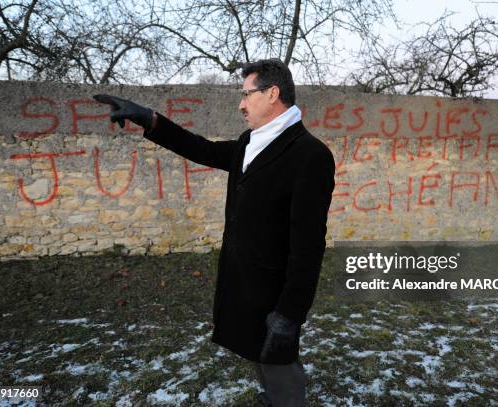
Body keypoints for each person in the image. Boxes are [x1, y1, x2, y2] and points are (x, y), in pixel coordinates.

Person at [94, 58, 335, 407]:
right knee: (260, 360)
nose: (241, 104)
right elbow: (203, 149)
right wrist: (150, 119)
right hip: (245, 283)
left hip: (275, 291)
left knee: (281, 368)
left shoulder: (309, 155)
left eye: (246, 94)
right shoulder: (251, 142)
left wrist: (289, 315)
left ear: (272, 93)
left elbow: (308, 247)